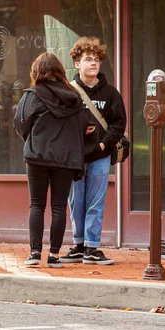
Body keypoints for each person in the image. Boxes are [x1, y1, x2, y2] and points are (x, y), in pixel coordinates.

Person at [13, 52, 91, 268]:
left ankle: (35, 253)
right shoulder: (74, 96)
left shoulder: (31, 95)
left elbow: (20, 123)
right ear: (60, 71)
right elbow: (83, 125)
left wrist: (33, 139)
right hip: (65, 159)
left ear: (36, 71)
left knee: (36, 205)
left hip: (37, 157)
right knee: (59, 207)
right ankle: (54, 255)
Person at [60, 36, 127, 265]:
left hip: (100, 156)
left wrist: (103, 144)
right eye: (88, 59)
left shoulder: (110, 93)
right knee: (75, 201)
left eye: (97, 59)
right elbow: (59, 122)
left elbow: (119, 124)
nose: (94, 63)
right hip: (75, 158)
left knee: (95, 202)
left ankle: (92, 247)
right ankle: (78, 245)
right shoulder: (68, 91)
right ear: (77, 63)